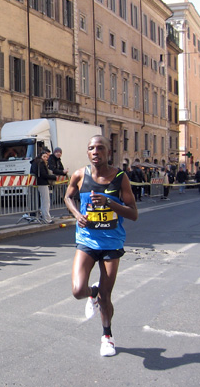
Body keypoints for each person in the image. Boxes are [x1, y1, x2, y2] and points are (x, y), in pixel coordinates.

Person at [64, 135, 138, 357]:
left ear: (108, 151)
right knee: (78, 290)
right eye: (91, 148)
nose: (95, 152)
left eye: (100, 148)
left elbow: (133, 213)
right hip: (87, 239)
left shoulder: (120, 178)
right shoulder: (79, 175)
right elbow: (68, 198)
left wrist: (110, 203)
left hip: (111, 242)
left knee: (107, 296)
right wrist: (77, 214)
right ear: (87, 153)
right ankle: (91, 292)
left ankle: (107, 336)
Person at [30, 150, 57, 223]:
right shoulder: (41, 163)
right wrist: (54, 177)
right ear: (41, 156)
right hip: (42, 183)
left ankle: (43, 216)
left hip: (38, 183)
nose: (46, 158)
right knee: (46, 201)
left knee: (43, 201)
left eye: (47, 157)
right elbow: (43, 175)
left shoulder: (35, 162)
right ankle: (47, 218)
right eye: (44, 156)